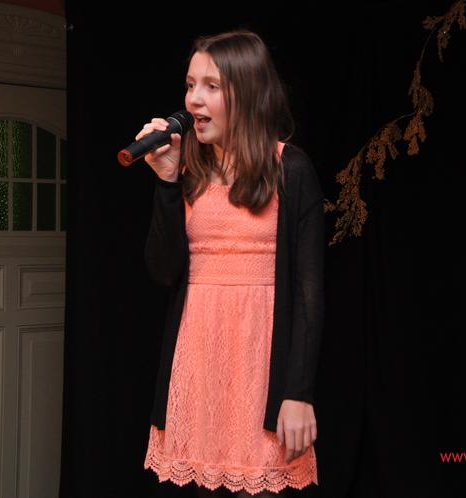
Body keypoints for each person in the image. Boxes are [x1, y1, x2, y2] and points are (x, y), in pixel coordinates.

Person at [139, 30, 325, 498]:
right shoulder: (189, 170)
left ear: (247, 93)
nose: (194, 99)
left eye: (211, 86)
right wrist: (166, 182)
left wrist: (298, 393)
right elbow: (163, 271)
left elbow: (309, 295)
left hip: (262, 372)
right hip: (199, 365)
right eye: (190, 85)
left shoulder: (290, 169)